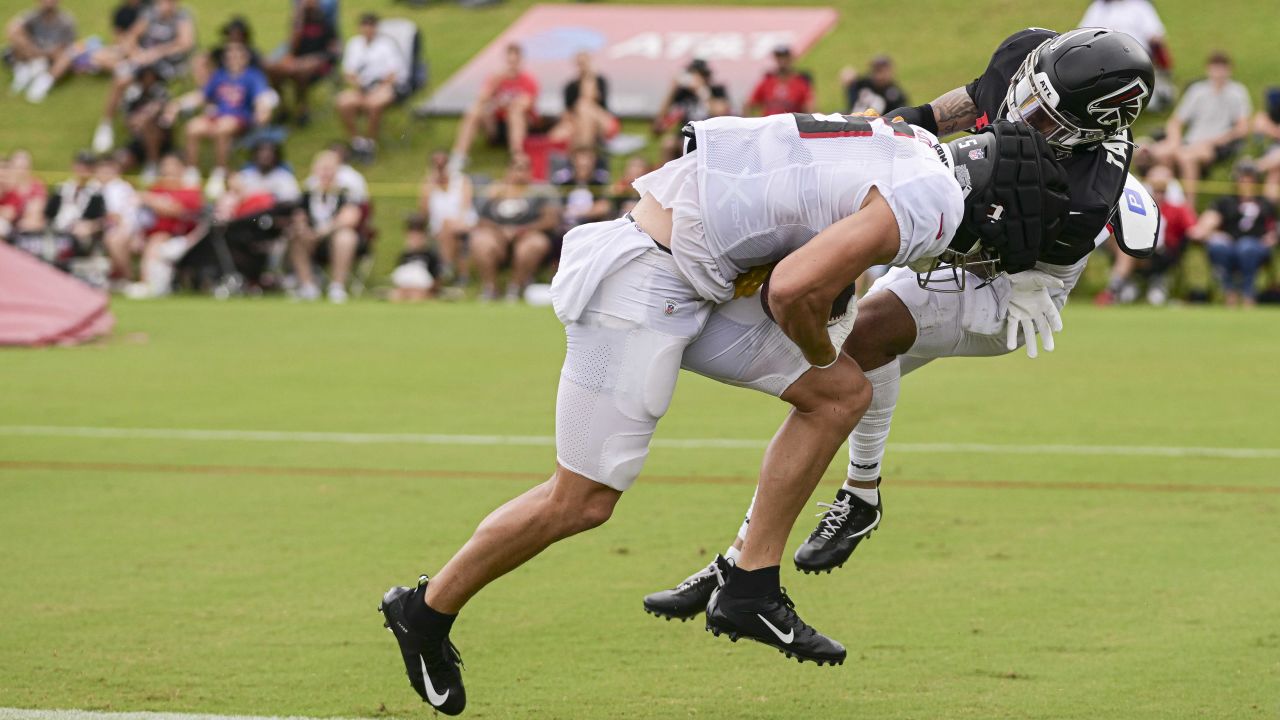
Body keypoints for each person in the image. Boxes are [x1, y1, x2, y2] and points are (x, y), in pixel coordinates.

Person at [377, 113, 1068, 714]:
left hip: (697, 265)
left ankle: (748, 585)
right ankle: (425, 610)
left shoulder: (917, 142)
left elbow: (806, 201)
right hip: (644, 278)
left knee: (842, 397)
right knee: (583, 499)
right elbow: (794, 291)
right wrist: (818, 347)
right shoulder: (937, 201)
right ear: (997, 205)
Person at [642, 27, 1158, 620]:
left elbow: (966, 244)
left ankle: (828, 513)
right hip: (964, 219)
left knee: (851, 350)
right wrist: (879, 134)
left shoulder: (1085, 194)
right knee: (832, 383)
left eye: (1045, 117)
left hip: (1016, 282)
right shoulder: (1026, 54)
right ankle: (752, 557)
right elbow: (956, 107)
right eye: (1029, 92)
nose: (1023, 111)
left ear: (1094, 128)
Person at [1145, 51, 1251, 204]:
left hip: (1215, 146)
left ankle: (1188, 208)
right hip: (1190, 141)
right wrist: (1174, 140)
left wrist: (1213, 142)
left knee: (1187, 158)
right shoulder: (1198, 90)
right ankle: (1161, 203)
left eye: (1222, 69)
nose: (1218, 73)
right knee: (1160, 153)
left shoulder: (1237, 92)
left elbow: (1242, 128)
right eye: (1215, 68)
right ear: (1208, 69)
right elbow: (1175, 121)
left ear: (1229, 70)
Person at [92, 0, 196, 154]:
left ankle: (148, 109)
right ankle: (106, 125)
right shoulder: (149, 14)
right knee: (121, 79)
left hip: (169, 65)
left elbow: (185, 43)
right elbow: (132, 36)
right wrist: (137, 54)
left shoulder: (182, 17)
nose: (164, 5)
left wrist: (157, 52)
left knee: (148, 78)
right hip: (145, 60)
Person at [176, 41, 271, 197]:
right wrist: (178, 104)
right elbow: (202, 96)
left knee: (222, 128)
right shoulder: (219, 76)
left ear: (245, 57)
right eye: (230, 56)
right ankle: (191, 171)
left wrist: (263, 111)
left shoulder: (253, 76)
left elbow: (262, 97)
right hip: (216, 117)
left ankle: (220, 172)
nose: (233, 59)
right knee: (192, 127)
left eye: (237, 55)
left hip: (240, 119)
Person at [1096, 165, 1195, 306]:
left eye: (1162, 190)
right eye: (1156, 189)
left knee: (1127, 252)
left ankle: (1114, 288)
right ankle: (1119, 285)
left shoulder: (1177, 208)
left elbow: (1193, 229)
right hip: (1135, 249)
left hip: (1163, 254)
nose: (1159, 194)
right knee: (1116, 239)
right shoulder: (1140, 207)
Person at [468, 155, 559, 302]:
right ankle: (490, 288)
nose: (519, 173)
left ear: (530, 171)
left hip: (529, 233)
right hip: (496, 233)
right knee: (480, 241)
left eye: (524, 169)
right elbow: (478, 219)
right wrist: (500, 230)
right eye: (516, 168)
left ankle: (515, 288)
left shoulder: (541, 190)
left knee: (535, 244)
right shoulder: (493, 190)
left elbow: (551, 220)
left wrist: (522, 230)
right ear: (508, 170)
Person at [1188, 161, 1277, 308]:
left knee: (1247, 247)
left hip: (1256, 246)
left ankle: (1249, 295)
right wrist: (1206, 231)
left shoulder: (1265, 203)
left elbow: (1273, 229)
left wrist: (1271, 239)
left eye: (1250, 179)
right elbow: (1210, 219)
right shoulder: (1226, 201)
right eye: (1243, 178)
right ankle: (1229, 292)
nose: (1246, 183)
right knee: (1218, 246)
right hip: (1229, 246)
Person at [287, 149, 366, 303]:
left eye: (330, 169)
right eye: (322, 169)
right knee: (295, 235)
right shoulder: (307, 194)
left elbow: (350, 217)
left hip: (335, 240)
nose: (326, 173)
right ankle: (308, 286)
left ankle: (337, 287)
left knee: (346, 236)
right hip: (312, 241)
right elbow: (299, 217)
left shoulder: (345, 193)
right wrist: (304, 229)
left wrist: (323, 232)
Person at [450, 43, 539, 167]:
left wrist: (505, 105)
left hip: (518, 124)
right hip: (496, 124)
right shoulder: (496, 78)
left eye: (515, 62)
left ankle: (516, 155)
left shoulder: (528, 81)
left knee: (515, 113)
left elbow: (525, 104)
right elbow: (481, 99)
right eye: (509, 62)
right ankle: (459, 155)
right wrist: (494, 83)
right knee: (474, 111)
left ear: (520, 61)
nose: (512, 66)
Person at [128, 153, 203, 298]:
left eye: (172, 165)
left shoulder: (190, 191)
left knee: (158, 239)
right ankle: (125, 279)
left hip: (183, 238)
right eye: (165, 166)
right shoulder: (156, 189)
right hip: (150, 234)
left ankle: (147, 283)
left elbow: (177, 210)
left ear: (182, 169)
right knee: (120, 238)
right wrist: (137, 235)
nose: (168, 170)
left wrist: (149, 199)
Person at [1079, 0, 1175, 110]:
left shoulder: (1140, 5)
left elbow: (1155, 37)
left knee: (1149, 102)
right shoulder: (1099, 6)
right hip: (1104, 58)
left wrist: (1163, 63)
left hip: (1135, 57)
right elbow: (1083, 34)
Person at [336, 13, 406, 161]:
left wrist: (379, 87)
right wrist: (357, 84)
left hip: (383, 86)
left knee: (374, 104)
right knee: (343, 101)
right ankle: (357, 141)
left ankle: (370, 143)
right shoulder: (353, 44)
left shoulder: (387, 45)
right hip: (361, 87)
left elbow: (394, 72)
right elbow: (348, 72)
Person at [265, 0, 339, 126]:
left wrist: (316, 58)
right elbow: (291, 47)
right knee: (271, 68)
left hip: (318, 64)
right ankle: (283, 107)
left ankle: (302, 108)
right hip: (297, 62)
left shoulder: (326, 24)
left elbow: (333, 51)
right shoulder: (298, 25)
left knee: (301, 70)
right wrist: (298, 19)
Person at [409, 150, 475, 285]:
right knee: (449, 231)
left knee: (448, 225)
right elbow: (423, 212)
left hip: (463, 222)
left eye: (443, 163)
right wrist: (429, 187)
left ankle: (446, 266)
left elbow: (466, 207)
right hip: (439, 228)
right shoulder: (428, 184)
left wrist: (457, 222)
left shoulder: (461, 181)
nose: (440, 167)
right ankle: (459, 274)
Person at [652, 59, 730, 161]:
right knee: (669, 144)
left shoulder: (717, 90)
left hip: (710, 135)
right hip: (686, 135)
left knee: (692, 147)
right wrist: (672, 90)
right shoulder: (683, 93)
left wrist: (702, 91)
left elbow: (720, 111)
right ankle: (669, 175)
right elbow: (659, 123)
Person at [5, 0, 77, 103]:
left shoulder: (67, 20)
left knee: (69, 54)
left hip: (53, 55)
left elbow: (68, 45)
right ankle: (24, 71)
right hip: (33, 52)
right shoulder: (32, 15)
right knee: (16, 37)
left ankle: (43, 82)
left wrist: (49, 52)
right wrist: (33, 50)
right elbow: (12, 28)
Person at [547, 51, 619, 150]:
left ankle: (584, 151)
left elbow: (591, 100)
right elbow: (567, 113)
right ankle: (582, 152)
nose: (583, 66)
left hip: (602, 121)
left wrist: (589, 79)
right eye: (580, 63)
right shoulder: (570, 86)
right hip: (577, 121)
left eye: (585, 63)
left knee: (583, 107)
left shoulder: (600, 80)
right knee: (558, 134)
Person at [98, 151, 143, 283]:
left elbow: (117, 215)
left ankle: (128, 278)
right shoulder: (95, 186)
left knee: (114, 240)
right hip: (110, 226)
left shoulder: (118, 187)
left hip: (125, 227)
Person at [552, 146, 612, 231]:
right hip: (564, 227)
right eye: (581, 158)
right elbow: (553, 206)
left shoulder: (601, 179)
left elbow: (604, 206)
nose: (584, 163)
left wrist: (576, 213)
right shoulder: (561, 179)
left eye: (589, 158)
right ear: (573, 160)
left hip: (593, 226)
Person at [744, 45, 814, 117]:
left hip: (791, 125)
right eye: (779, 57)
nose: (782, 61)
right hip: (770, 125)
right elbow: (750, 104)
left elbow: (809, 107)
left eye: (785, 57)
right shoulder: (767, 81)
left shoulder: (800, 82)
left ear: (790, 58)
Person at [843, 55, 908, 116]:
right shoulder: (863, 83)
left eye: (882, 72)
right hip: (854, 120)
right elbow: (850, 86)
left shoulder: (895, 95)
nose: (879, 76)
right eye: (876, 71)